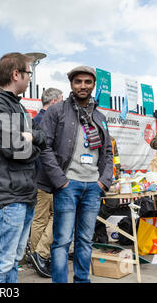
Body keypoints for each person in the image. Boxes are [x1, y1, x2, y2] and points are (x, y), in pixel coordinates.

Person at [38, 65, 113, 283]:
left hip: (93, 187)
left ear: (93, 85)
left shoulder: (99, 117)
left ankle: (82, 280)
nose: (83, 86)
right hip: (68, 185)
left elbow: (108, 152)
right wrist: (61, 182)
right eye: (78, 81)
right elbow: (44, 147)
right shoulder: (57, 111)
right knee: (62, 241)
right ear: (71, 84)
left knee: (85, 239)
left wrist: (103, 182)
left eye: (87, 82)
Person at [0, 52, 46, 283]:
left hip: (23, 193)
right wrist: (32, 142)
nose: (30, 78)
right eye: (29, 73)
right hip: (8, 196)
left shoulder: (17, 106)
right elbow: (15, 148)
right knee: (1, 263)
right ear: (16, 74)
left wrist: (31, 138)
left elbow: (41, 137)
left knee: (13, 260)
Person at [29, 87, 63, 278]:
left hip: (37, 177)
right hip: (50, 178)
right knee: (61, 216)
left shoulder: (35, 121)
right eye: (61, 100)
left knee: (40, 219)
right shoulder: (50, 121)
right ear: (54, 102)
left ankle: (37, 257)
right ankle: (40, 255)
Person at [93, 136, 121, 244]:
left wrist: (118, 174)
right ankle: (102, 240)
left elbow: (116, 158)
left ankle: (90, 224)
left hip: (110, 179)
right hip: (95, 178)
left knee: (112, 204)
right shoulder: (94, 138)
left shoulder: (112, 139)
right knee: (96, 207)